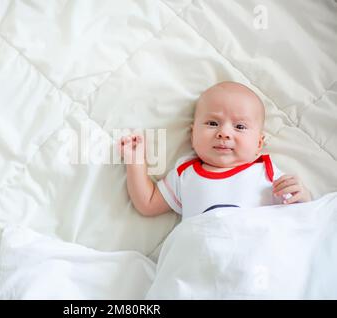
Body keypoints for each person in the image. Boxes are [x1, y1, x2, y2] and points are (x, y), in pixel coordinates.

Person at [119, 81, 312, 218]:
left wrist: (303, 198)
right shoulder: (186, 173)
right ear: (192, 135)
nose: (224, 133)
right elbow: (147, 203)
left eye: (240, 127)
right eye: (212, 123)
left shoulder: (266, 173)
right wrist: (135, 161)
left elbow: (297, 217)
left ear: (259, 144)